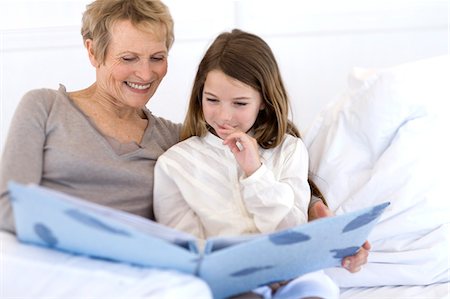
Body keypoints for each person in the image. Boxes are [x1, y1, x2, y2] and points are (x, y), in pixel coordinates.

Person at [0, 0, 367, 275]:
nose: (145, 73)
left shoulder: (173, 140)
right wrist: (89, 244)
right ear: (93, 51)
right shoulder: (44, 107)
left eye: (156, 57)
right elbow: (7, 206)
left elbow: (239, 168)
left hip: (138, 274)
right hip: (55, 262)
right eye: (128, 57)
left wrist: (319, 215)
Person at [153, 28, 339, 298]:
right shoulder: (175, 165)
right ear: (199, 95)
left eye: (240, 103)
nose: (224, 116)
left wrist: (255, 172)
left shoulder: (289, 150)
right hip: (231, 282)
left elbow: (291, 229)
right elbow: (189, 253)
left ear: (263, 101)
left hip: (294, 276)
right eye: (212, 100)